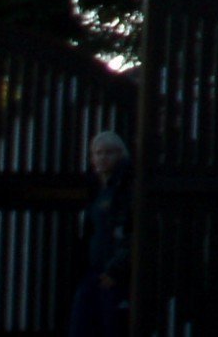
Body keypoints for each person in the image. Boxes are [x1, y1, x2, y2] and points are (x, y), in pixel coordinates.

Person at [69, 130, 131, 337]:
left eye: (108, 153)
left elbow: (131, 234)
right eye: (97, 153)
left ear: (120, 155)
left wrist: (116, 270)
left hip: (113, 273)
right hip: (95, 269)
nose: (102, 158)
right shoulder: (97, 189)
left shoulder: (124, 190)